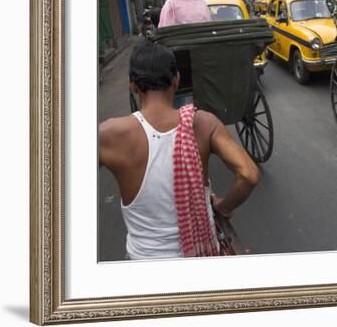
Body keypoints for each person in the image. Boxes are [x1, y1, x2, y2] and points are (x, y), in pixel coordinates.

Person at [99, 41, 260, 259]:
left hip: (143, 261)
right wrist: (222, 207)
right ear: (176, 80)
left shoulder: (108, 134)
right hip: (200, 256)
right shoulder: (204, 123)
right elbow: (248, 175)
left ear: (132, 85)